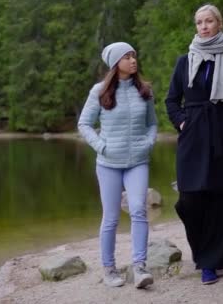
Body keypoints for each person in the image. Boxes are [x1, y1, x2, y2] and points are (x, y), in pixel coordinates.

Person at [164, 4, 223, 285]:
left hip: (221, 136)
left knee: (220, 199)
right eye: (199, 22)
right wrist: (181, 122)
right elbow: (171, 100)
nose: (203, 26)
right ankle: (203, 252)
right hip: (192, 137)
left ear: (219, 24)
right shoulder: (185, 61)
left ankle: (210, 263)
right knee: (189, 200)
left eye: (209, 21)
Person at [78, 42, 158, 289]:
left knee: (138, 209)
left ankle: (140, 268)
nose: (133, 60)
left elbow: (153, 123)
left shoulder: (144, 90)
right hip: (108, 164)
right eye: (127, 57)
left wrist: (148, 143)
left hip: (137, 162)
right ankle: (109, 269)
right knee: (111, 218)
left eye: (134, 55)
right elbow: (84, 124)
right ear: (116, 63)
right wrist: (102, 147)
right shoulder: (99, 91)